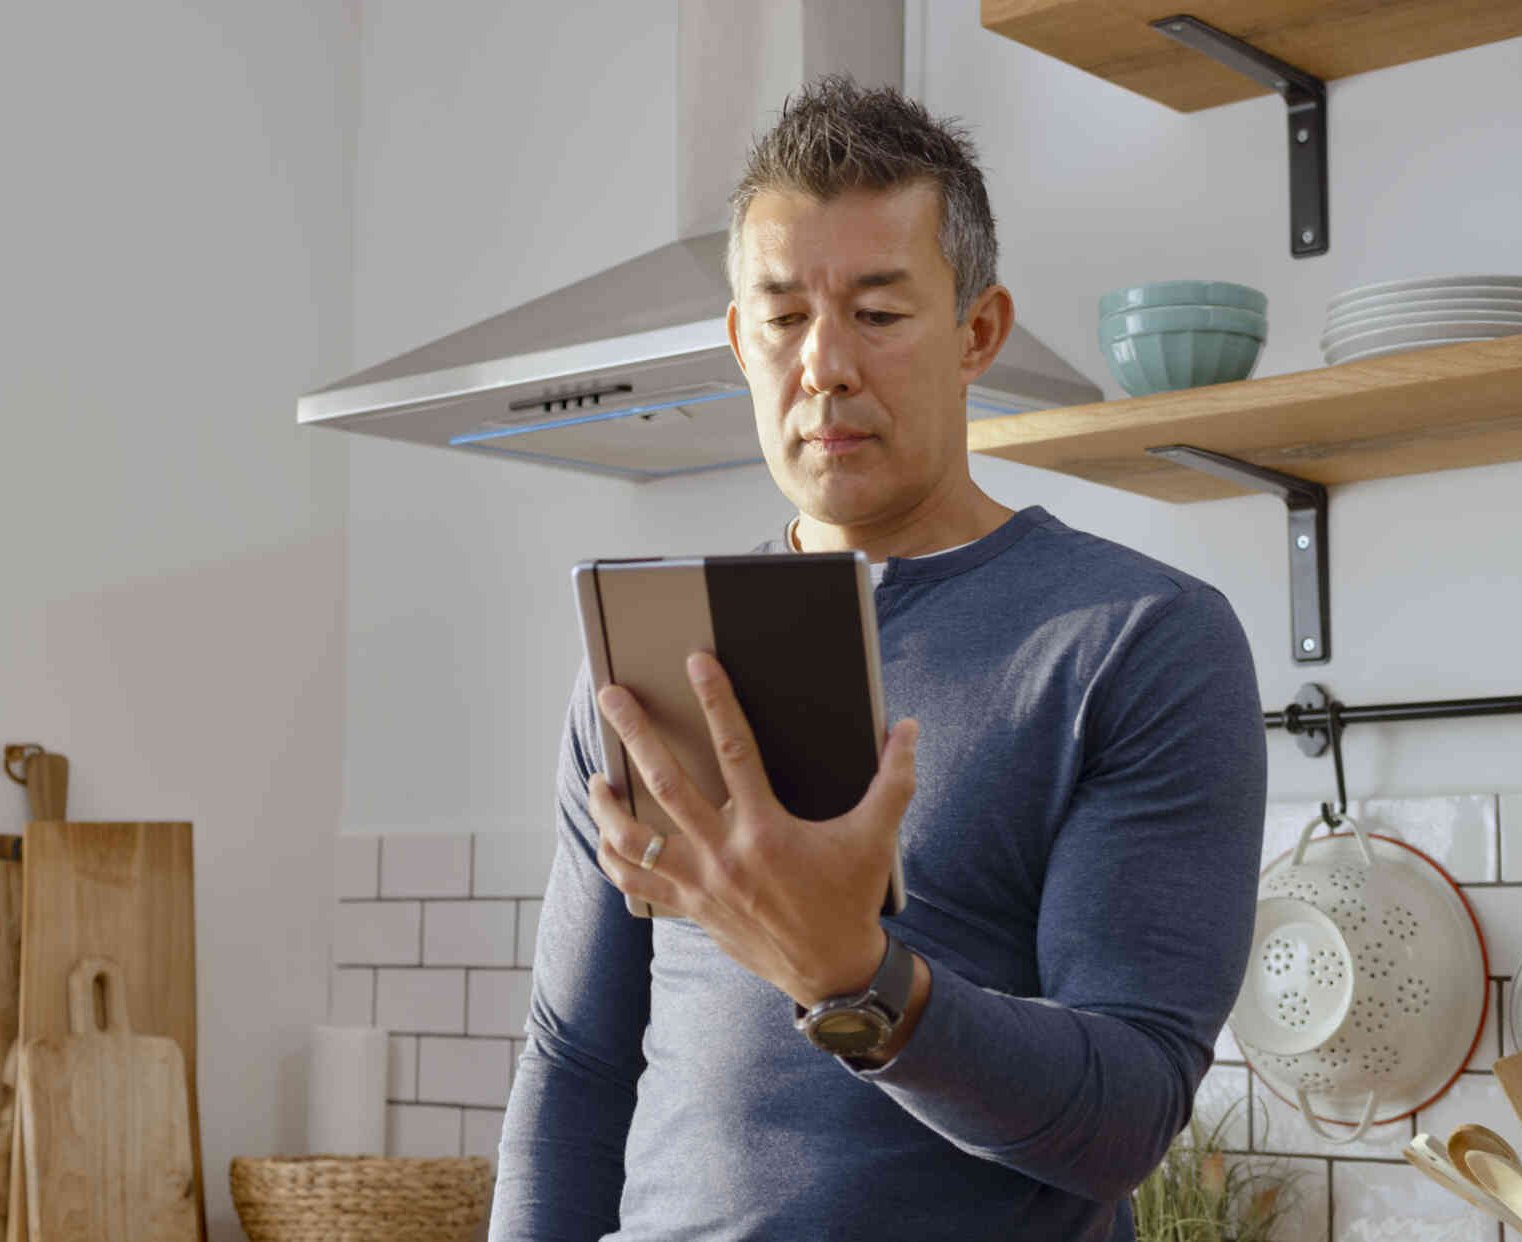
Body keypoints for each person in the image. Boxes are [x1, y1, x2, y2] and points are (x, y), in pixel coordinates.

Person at [489, 76, 1267, 1241]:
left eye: (878, 312)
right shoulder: (650, 651)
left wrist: (852, 977)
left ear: (977, 334)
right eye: (783, 316)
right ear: (738, 342)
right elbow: (575, 1062)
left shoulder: (1135, 639)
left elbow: (1124, 1116)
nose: (825, 366)